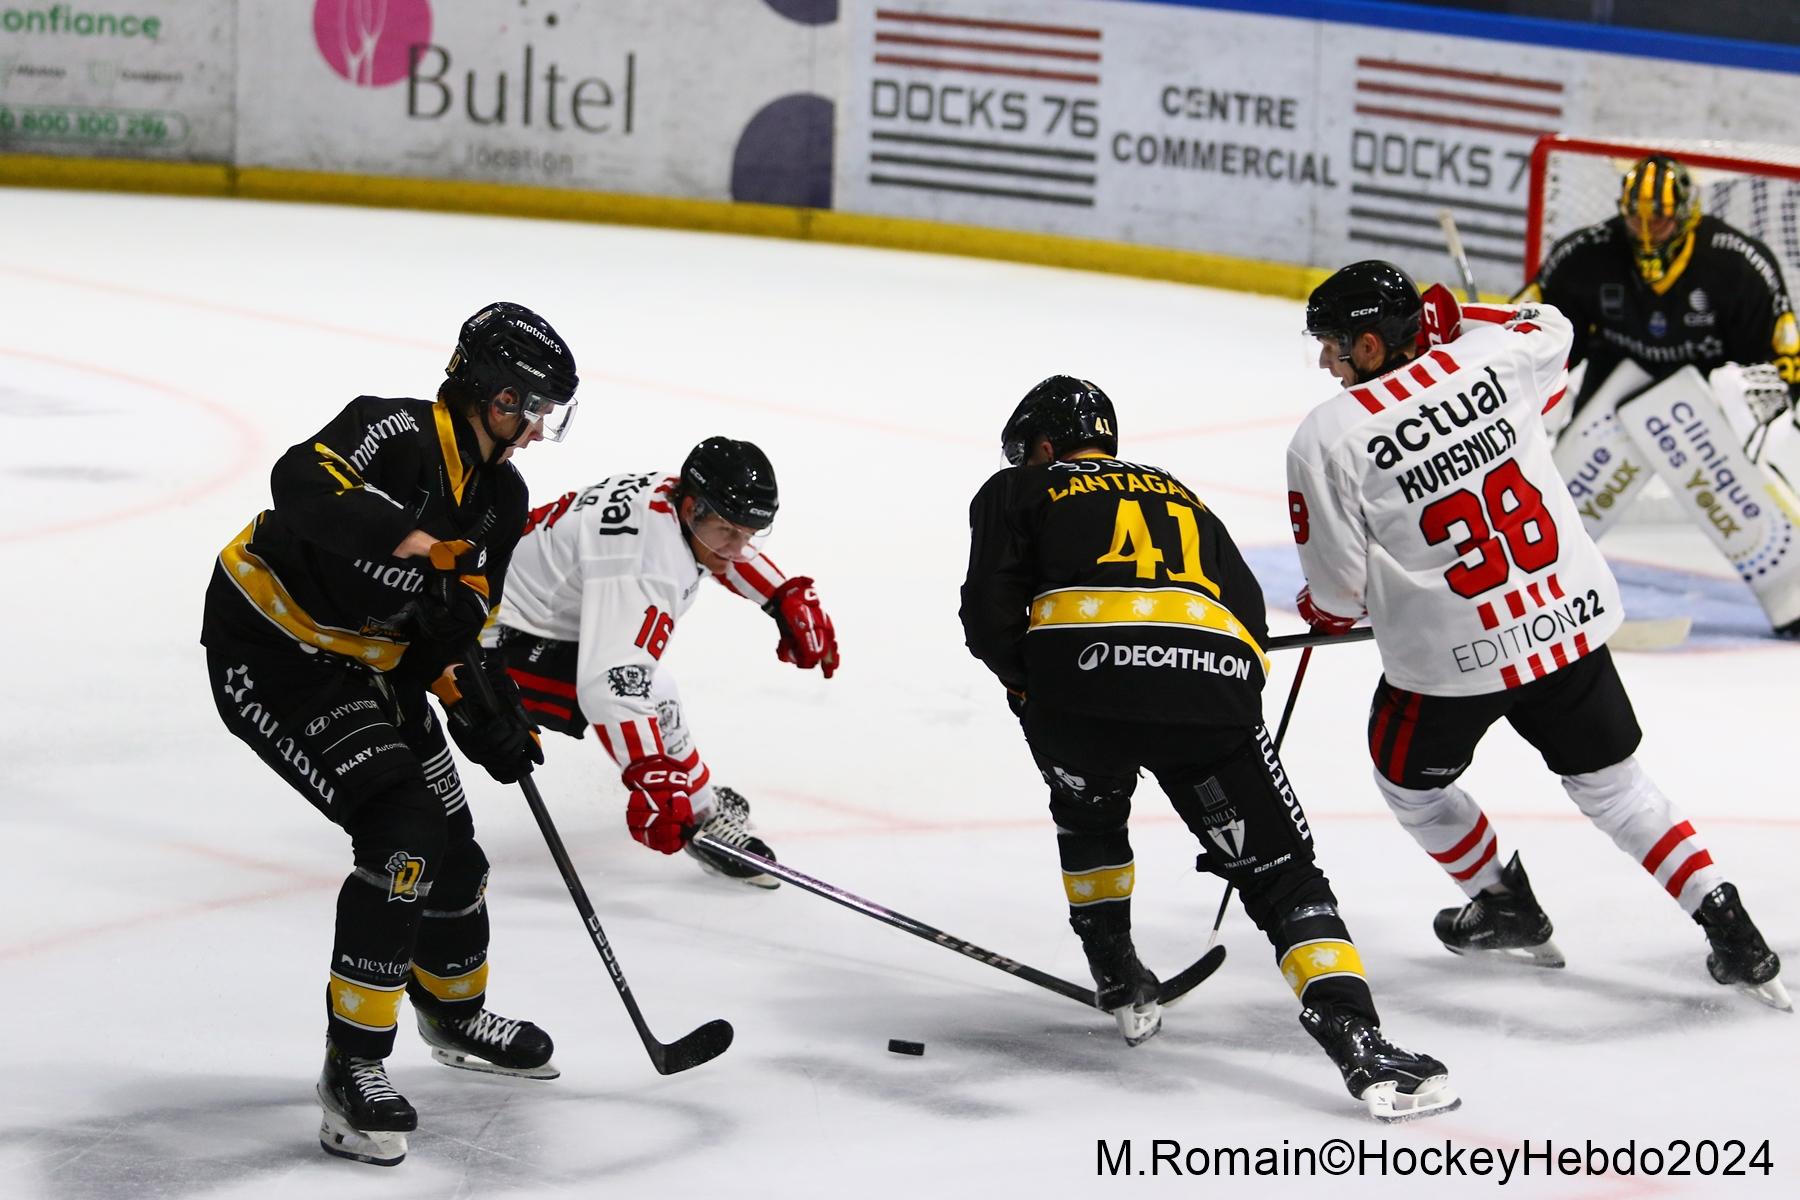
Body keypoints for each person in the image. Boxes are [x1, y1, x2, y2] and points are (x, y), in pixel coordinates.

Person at [1288, 260, 1789, 1012]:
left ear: (1368, 346)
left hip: (1453, 659)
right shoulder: (1493, 359)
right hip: (1565, 621)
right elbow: (1550, 325)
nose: (1324, 360)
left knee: (1409, 783)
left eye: (1332, 344)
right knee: (1619, 791)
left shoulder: (1326, 436)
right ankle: (1735, 932)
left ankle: (1503, 902)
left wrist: (1321, 607)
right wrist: (1457, 323)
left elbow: (1337, 596)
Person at [959, 376, 1459, 1122]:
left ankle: (1118, 974)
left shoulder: (1019, 488)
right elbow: (1248, 612)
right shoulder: (1181, 494)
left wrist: (1033, 691)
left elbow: (988, 615)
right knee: (1283, 875)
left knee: (1090, 817)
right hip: (1209, 692)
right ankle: (1360, 1041)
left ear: (1040, 446)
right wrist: (1222, 697)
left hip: (1080, 691)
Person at [200, 302, 579, 1166]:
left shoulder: (502, 498)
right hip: (275, 655)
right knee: (402, 839)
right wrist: (413, 546)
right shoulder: (394, 429)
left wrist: (486, 708)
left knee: (457, 856)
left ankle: (452, 1014)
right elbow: (301, 480)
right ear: (491, 392)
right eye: (530, 407)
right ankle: (353, 1070)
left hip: (377, 665)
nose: (534, 430)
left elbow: (460, 623)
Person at [489, 437, 838, 888]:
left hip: (522, 603)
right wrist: (653, 778)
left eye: (749, 533)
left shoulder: (671, 495)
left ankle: (696, 801)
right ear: (692, 509)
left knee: (653, 691)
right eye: (729, 530)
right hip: (493, 641)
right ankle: (704, 820)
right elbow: (611, 685)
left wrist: (780, 593)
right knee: (654, 692)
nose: (738, 547)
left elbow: (724, 546)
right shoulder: (645, 565)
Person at [1528, 153, 1800, 634]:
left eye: (1660, 216)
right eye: (1636, 216)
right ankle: (1537, 589)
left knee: (1741, 489)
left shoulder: (1735, 262)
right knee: (1566, 492)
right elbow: (1532, 326)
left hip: (1705, 399)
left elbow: (1782, 359)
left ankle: (1794, 592)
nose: (1647, 229)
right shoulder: (1587, 254)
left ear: (1688, 213)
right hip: (1615, 381)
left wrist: (1766, 431)